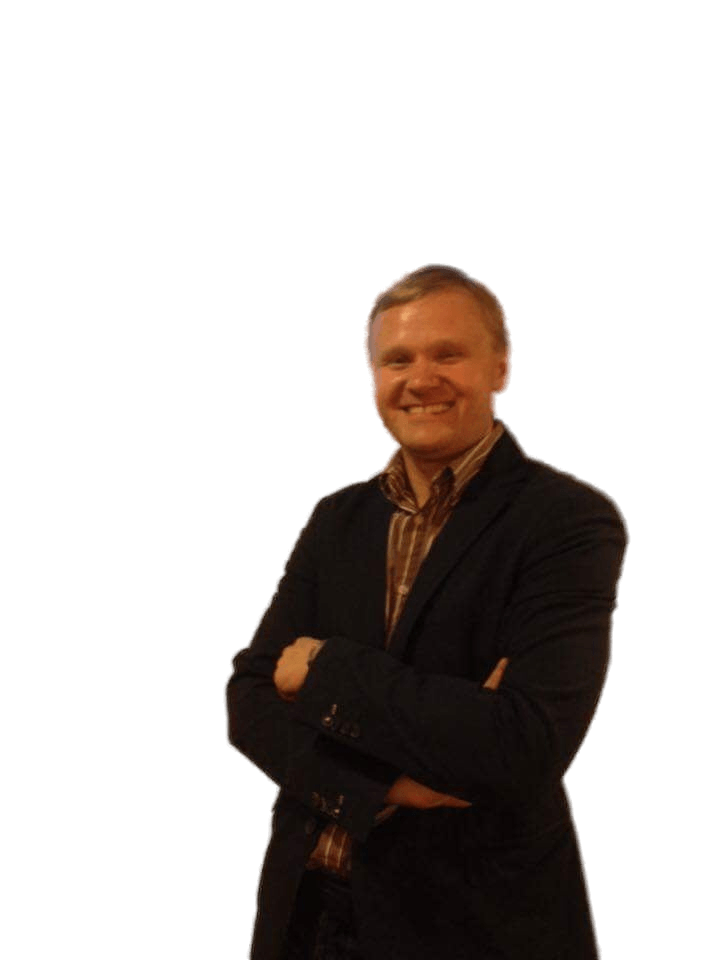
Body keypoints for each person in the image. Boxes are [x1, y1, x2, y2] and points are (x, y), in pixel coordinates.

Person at [224, 263, 630, 960]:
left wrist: (323, 671)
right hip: (306, 915)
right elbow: (248, 700)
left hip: (472, 927)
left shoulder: (570, 520)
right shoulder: (335, 516)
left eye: (448, 354)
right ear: (373, 376)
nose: (421, 378)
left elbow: (525, 743)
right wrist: (392, 787)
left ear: (501, 367)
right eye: (398, 359)